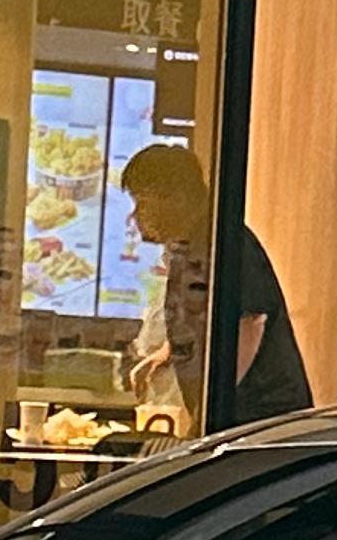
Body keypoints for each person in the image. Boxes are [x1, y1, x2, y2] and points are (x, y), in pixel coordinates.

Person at [120, 139, 313, 427]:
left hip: (260, 415)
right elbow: (200, 312)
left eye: (143, 203)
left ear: (175, 199)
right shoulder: (188, 246)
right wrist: (167, 353)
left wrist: (218, 401)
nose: (135, 216)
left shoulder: (227, 243)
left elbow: (251, 322)